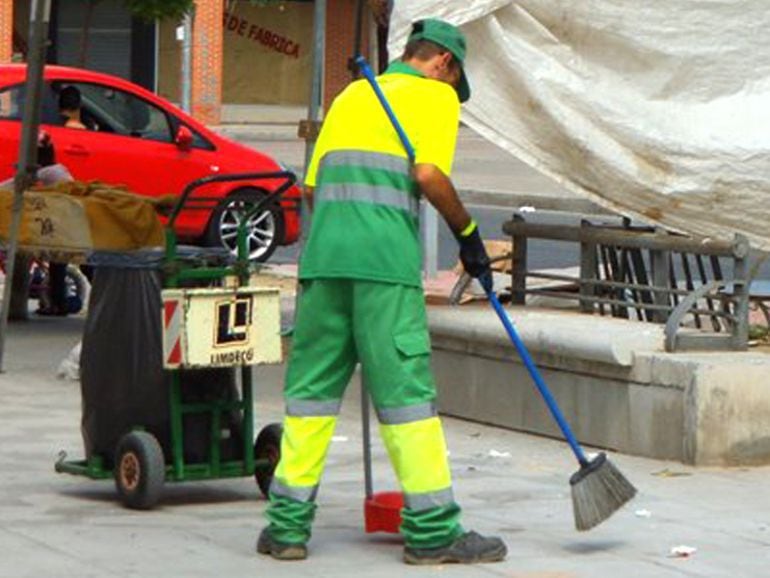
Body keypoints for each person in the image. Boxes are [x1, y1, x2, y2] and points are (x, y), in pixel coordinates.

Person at [258, 18, 506, 565]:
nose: (452, 92)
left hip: (323, 263)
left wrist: (343, 239)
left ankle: (286, 528)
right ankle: (434, 531)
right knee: (407, 401)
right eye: (453, 79)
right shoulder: (434, 100)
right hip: (384, 269)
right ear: (443, 63)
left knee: (311, 398)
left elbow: (314, 188)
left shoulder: (352, 95)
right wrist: (468, 236)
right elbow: (429, 176)